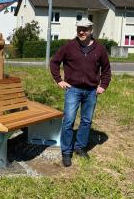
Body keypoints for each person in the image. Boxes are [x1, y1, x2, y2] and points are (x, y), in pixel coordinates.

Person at [50, 18, 111, 167]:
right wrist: (59, 80)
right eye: (79, 29)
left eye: (85, 29)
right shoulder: (69, 46)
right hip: (73, 90)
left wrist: (103, 85)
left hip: (91, 91)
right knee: (69, 121)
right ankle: (66, 151)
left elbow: (106, 69)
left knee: (86, 121)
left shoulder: (99, 49)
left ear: (91, 30)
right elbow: (54, 62)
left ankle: (80, 147)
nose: (81, 32)